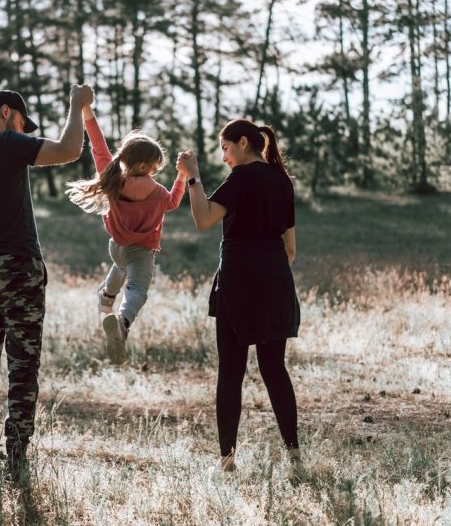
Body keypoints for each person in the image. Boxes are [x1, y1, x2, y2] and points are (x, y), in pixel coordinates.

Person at [0, 85, 94, 472]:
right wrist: (77, 105)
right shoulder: (7, 144)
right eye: (22, 124)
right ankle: (17, 452)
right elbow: (69, 150)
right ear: (7, 112)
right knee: (23, 365)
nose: (25, 133)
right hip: (18, 267)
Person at [176, 119, 301, 472]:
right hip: (276, 280)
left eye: (226, 149)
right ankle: (294, 454)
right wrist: (271, 271)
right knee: (275, 368)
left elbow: (203, 219)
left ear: (243, 143)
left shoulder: (242, 178)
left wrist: (193, 177)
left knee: (231, 371)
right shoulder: (282, 181)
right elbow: (290, 247)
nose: (225, 158)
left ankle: (227, 462)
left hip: (239, 281)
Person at [65, 103, 185, 364]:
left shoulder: (112, 181)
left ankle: (106, 296)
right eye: (154, 167)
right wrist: (182, 177)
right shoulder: (159, 192)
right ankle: (122, 321)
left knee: (120, 266)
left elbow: (98, 146)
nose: (155, 171)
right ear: (144, 166)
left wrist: (87, 112)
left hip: (116, 248)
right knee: (136, 290)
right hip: (141, 252)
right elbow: (174, 202)